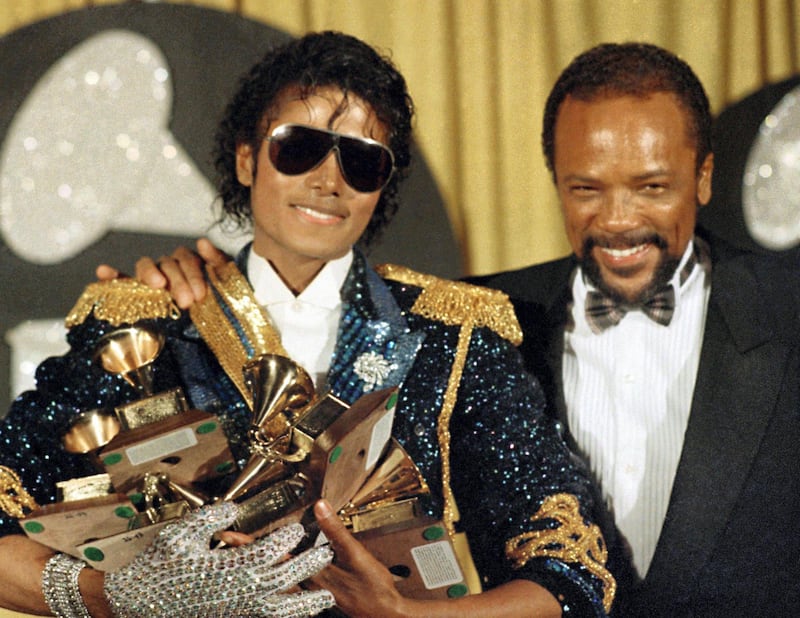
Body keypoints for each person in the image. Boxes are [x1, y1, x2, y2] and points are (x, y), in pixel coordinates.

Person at [0, 32, 615, 616]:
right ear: (247, 159)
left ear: (382, 188)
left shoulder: (453, 336)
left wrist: (404, 615)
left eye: (361, 161)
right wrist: (120, 599)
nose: (327, 180)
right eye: (298, 148)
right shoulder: (142, 324)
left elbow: (571, 566)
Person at [469, 43, 800, 615]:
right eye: (586, 189)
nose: (618, 221)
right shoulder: (476, 321)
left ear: (703, 178)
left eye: (651, 187)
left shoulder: (789, 311)